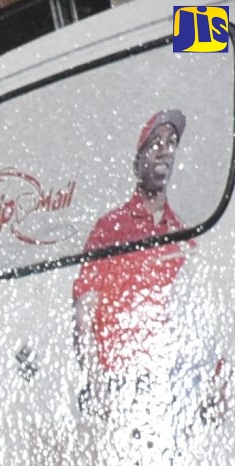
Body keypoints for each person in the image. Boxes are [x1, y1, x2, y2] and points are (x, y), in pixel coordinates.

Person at [72, 109, 191, 401]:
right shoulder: (110, 228)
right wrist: (96, 382)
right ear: (139, 160)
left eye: (171, 142)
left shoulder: (182, 234)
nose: (164, 151)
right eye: (155, 143)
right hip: (124, 385)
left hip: (176, 383)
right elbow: (84, 313)